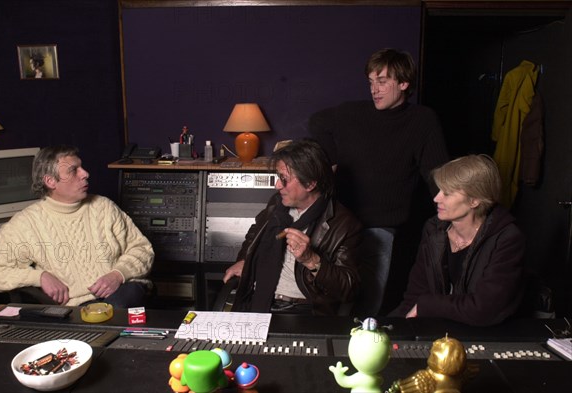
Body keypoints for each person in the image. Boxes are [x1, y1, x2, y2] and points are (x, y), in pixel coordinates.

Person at [309, 48, 450, 316]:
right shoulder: (353, 112)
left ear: (404, 83)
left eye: (382, 81)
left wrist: (452, 218)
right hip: (339, 223)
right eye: (371, 82)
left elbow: (438, 176)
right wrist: (333, 160)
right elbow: (317, 122)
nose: (374, 89)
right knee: (328, 299)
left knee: (367, 307)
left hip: (382, 228)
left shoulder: (422, 121)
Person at [0, 145, 154, 308]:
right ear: (50, 181)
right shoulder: (25, 224)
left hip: (123, 293)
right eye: (73, 171)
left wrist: (118, 274)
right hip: (76, 309)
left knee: (125, 299)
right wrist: (39, 277)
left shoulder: (104, 207)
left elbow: (142, 249)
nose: (85, 173)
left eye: (82, 167)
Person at [222, 139, 363, 316]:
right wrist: (244, 260)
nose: (277, 185)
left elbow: (349, 289)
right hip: (257, 298)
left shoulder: (345, 224)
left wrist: (311, 260)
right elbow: (255, 232)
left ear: (310, 184)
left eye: (284, 179)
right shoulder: (277, 203)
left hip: (300, 310)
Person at [389, 155, 526, 326]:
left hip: (490, 337)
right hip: (443, 333)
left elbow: (485, 309)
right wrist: (389, 329)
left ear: (474, 200)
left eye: (447, 193)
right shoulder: (434, 230)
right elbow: (415, 297)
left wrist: (428, 305)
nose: (436, 198)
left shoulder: (507, 238)